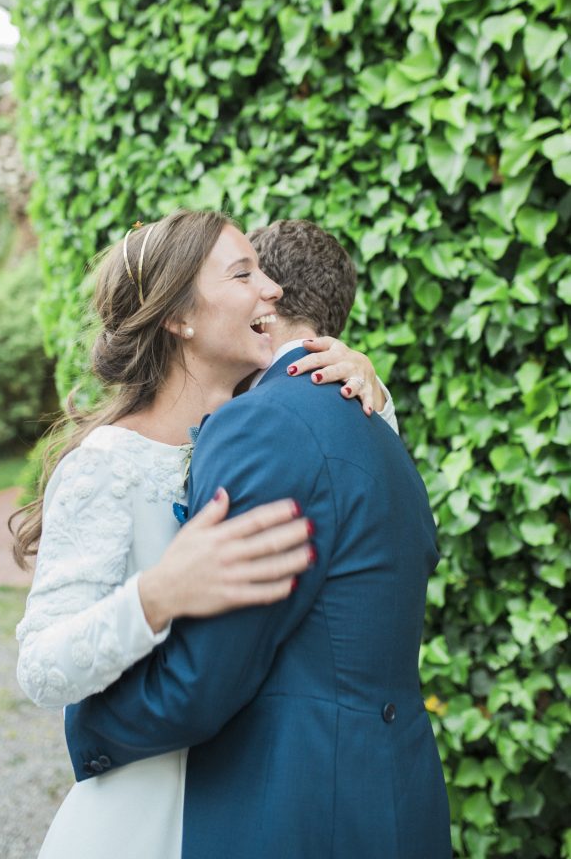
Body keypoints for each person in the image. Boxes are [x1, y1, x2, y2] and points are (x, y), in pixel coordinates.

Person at [64, 217, 452, 859]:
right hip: (399, 794)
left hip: (298, 807)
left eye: (255, 275)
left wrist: (93, 727)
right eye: (244, 276)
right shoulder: (378, 427)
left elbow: (207, 675)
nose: (259, 291)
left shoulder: (259, 427)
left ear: (271, 303)